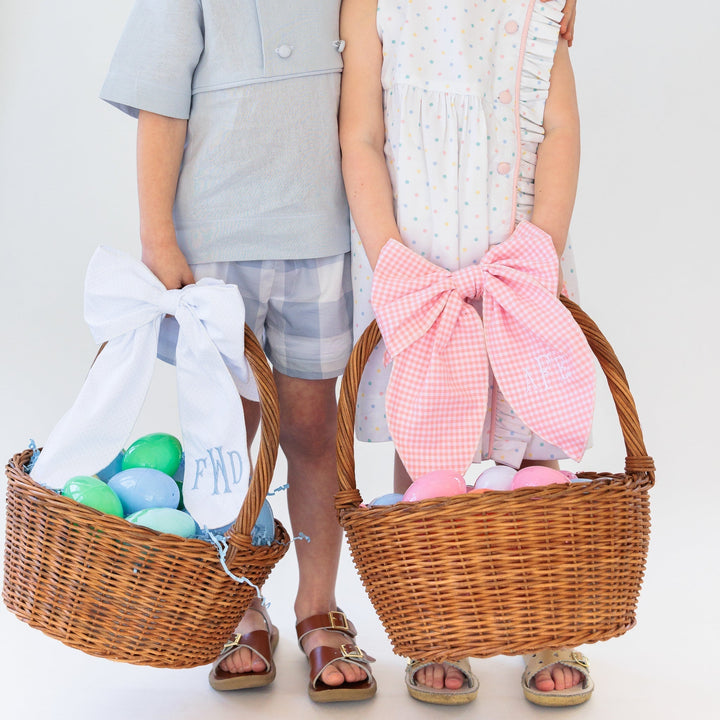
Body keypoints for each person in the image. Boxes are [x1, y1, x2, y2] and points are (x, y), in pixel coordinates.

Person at [99, 0, 376, 703]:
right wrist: (156, 233)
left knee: (313, 433)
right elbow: (161, 102)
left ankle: (318, 607)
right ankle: (235, 606)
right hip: (217, 244)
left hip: (319, 236)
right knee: (227, 437)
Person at [339, 0, 592, 708]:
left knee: (535, 433)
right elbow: (359, 134)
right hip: (418, 258)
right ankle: (437, 625)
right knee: (428, 444)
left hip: (519, 251)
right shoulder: (372, 5)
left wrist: (540, 244)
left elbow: (560, 129)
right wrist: (388, 252)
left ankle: (549, 621)